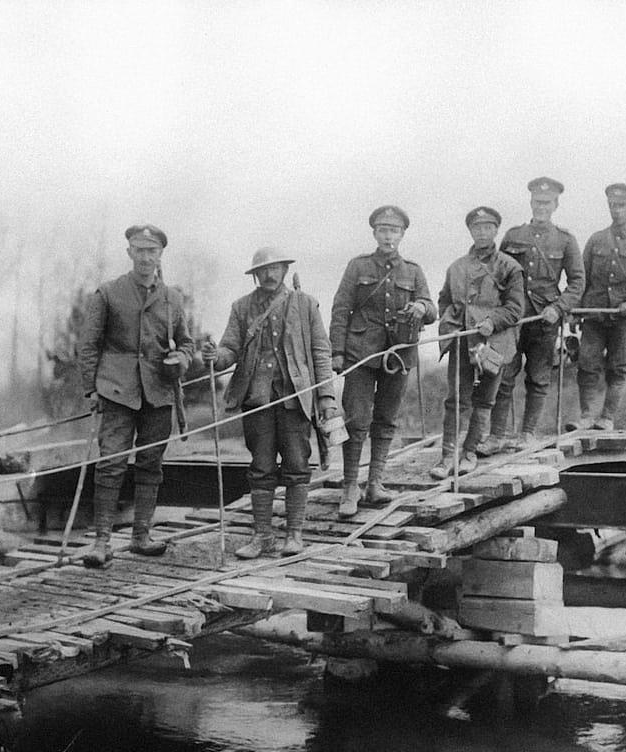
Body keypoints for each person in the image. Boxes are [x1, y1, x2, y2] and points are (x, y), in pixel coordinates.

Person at [202, 247, 338, 558]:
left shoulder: (305, 304)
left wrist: (326, 397)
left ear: (285, 270)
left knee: (297, 465)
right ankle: (263, 536)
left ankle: (294, 535)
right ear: (255, 275)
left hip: (296, 399)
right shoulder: (241, 308)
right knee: (260, 467)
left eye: (275, 268)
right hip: (257, 401)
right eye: (263, 269)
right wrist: (214, 357)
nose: (269, 274)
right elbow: (229, 350)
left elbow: (321, 353)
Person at [77, 224, 194, 567]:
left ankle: (141, 535)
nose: (146, 257)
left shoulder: (173, 298)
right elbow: (88, 345)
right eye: (139, 251)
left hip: (158, 393)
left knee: (150, 464)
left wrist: (181, 359)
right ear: (129, 253)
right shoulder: (109, 293)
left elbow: (185, 342)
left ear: (160, 255)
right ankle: (101, 542)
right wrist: (90, 389)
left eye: (152, 251)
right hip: (116, 392)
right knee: (111, 464)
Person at [329, 206, 436, 518]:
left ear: (402, 235)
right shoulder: (357, 266)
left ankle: (375, 483)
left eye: (394, 231)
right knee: (356, 420)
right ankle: (350, 486)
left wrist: (420, 306)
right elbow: (340, 309)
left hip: (400, 354)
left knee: (386, 419)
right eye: (383, 231)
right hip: (361, 354)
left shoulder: (413, 271)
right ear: (375, 233)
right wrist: (337, 352)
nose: (388, 236)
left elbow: (432, 309)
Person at [483, 177, 585, 452]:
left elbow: (577, 282)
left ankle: (527, 434)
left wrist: (558, 308)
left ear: (555, 205)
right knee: (503, 375)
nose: (541, 207)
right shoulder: (514, 236)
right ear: (530, 202)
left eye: (547, 203)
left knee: (538, 379)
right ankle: (497, 436)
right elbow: (497, 274)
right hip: (513, 319)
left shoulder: (565, 240)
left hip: (545, 320)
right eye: (537, 202)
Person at [429, 207, 524, 479]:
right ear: (470, 231)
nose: (482, 233)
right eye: (477, 228)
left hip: (494, 344)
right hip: (462, 340)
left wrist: (493, 321)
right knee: (456, 399)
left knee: (485, 400)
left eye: (487, 227)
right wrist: (449, 323)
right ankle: (447, 457)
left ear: (496, 231)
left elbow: (516, 309)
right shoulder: (456, 267)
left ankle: (469, 453)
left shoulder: (509, 267)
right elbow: (445, 299)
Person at [567, 183, 626, 431]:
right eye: (612, 206)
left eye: (621, 206)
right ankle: (586, 416)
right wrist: (575, 311)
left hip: (624, 317)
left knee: (618, 366)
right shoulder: (596, 239)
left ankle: (607, 417)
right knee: (586, 363)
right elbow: (581, 277)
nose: (616, 211)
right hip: (594, 314)